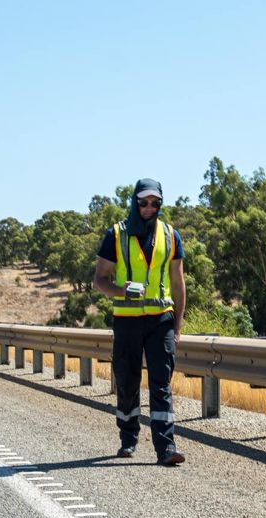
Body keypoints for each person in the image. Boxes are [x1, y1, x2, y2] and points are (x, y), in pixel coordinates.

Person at [94, 178, 187, 466]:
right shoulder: (116, 235)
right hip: (126, 321)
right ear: (135, 202)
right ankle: (128, 439)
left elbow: (178, 282)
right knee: (127, 381)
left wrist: (178, 326)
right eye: (144, 202)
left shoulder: (171, 236)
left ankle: (166, 447)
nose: (149, 207)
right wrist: (122, 290)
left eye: (155, 203)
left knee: (161, 385)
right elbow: (99, 280)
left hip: (161, 321)